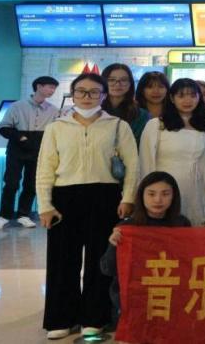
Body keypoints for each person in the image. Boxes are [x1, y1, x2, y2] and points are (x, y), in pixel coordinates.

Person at [36, 73, 138, 341]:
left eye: (94, 92)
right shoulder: (56, 127)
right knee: (62, 260)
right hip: (64, 198)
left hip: (105, 197)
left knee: (99, 261)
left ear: (103, 95)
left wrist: (128, 198)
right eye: (81, 91)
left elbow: (133, 166)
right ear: (73, 94)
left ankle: (94, 317)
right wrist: (45, 205)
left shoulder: (117, 126)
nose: (87, 96)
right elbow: (45, 168)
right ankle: (61, 318)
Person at [100, 172, 190, 330]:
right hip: (134, 302)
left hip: (171, 299)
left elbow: (189, 266)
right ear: (141, 196)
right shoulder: (127, 227)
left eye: (165, 194)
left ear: (174, 196)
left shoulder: (181, 224)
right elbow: (107, 269)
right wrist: (114, 246)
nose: (158, 200)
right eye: (151, 194)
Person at [138, 78, 205, 226]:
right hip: (163, 187)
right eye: (181, 95)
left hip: (194, 188)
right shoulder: (156, 125)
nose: (187, 100)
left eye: (192, 95)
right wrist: (148, 192)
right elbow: (145, 161)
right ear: (172, 98)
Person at [0, 75, 59, 231]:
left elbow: (56, 131)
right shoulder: (17, 106)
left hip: (39, 151)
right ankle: (4, 216)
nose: (52, 90)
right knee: (11, 183)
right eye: (50, 87)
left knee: (31, 184)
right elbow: (4, 128)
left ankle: (23, 215)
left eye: (54, 88)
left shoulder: (54, 110)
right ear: (39, 87)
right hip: (17, 150)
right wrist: (20, 137)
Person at [101, 64, 149, 142]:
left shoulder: (141, 115)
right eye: (111, 80)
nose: (117, 84)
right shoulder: (95, 111)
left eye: (123, 80)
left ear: (130, 83)